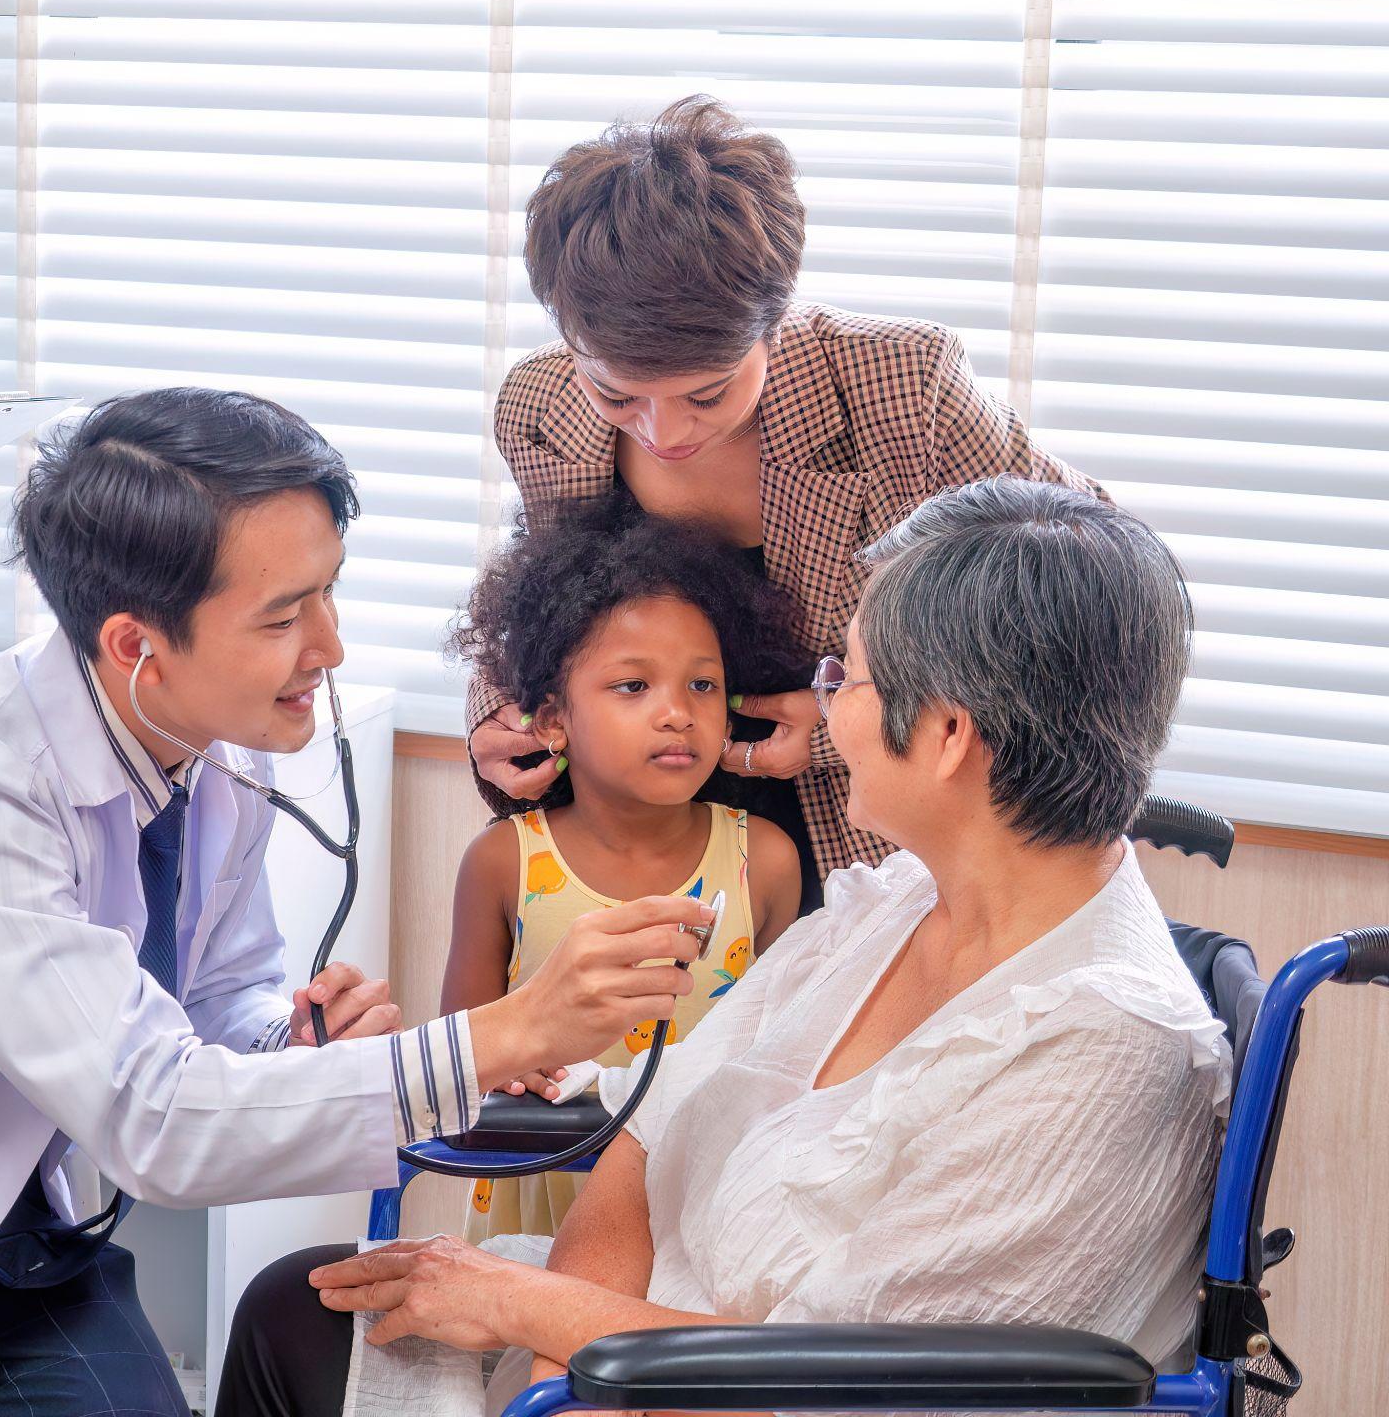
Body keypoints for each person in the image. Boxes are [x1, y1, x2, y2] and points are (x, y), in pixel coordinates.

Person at [0, 387, 719, 1417]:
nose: (328, 646)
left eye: (326, 596)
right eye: (282, 617)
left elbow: (215, 1011)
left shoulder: (223, 751)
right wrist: (497, 1035)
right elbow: (158, 1124)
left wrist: (294, 1038)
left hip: (0, 1237)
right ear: (133, 646)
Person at [218, 478, 1230, 1417]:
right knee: (293, 1306)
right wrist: (559, 1371)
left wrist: (533, 1318)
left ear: (950, 736)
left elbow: (846, 1387)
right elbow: (643, 1142)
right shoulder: (892, 907)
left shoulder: (1103, 1050)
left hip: (739, 1388)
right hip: (633, 1347)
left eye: (849, 676)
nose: (825, 703)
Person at [469, 96, 1105, 912]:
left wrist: (851, 723)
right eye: (618, 394)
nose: (665, 432)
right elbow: (536, 605)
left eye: (707, 393)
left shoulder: (901, 385)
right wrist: (498, 715)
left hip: (866, 856)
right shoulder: (539, 407)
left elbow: (1100, 578)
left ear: (772, 324)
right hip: (628, 851)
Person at [441, 492, 806, 1241]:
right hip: (540, 1194)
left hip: (700, 1202)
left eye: (701, 684)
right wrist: (510, 1066)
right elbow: (458, 1051)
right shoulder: (503, 862)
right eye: (633, 686)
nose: (678, 712)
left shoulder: (762, 861)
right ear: (552, 720)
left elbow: (782, 1057)